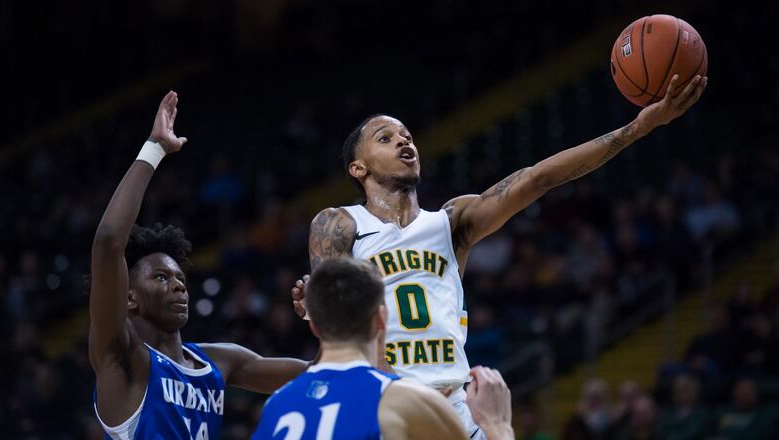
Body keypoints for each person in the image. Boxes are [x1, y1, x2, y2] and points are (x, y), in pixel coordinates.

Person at [291, 75, 707, 437]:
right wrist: (314, 306)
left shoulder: (452, 222)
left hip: (454, 405)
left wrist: (636, 128)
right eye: (386, 137)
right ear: (358, 168)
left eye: (407, 136)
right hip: (384, 401)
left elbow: (538, 177)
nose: (403, 140)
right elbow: (331, 329)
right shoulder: (339, 223)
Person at [89, 91, 310, 439]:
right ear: (129, 298)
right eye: (161, 277)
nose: (178, 285)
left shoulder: (218, 362)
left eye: (179, 278)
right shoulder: (124, 360)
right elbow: (107, 243)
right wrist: (155, 148)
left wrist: (321, 313)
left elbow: (320, 375)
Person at [255, 258, 514, 439]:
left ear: (314, 327)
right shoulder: (403, 401)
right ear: (381, 320)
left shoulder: (276, 405)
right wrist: (498, 426)